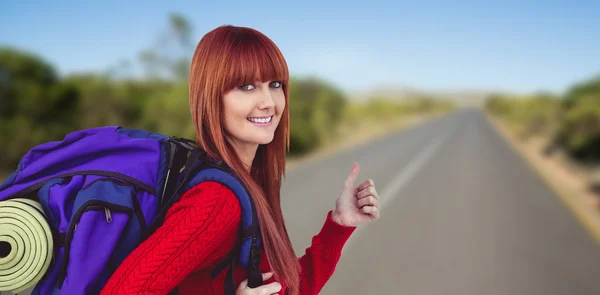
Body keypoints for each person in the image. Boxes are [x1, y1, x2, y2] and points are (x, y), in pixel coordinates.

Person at [99, 24, 381, 295]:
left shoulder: (251, 183)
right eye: (246, 87)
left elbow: (292, 290)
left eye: (275, 84)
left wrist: (340, 225)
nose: (269, 101)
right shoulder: (218, 200)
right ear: (211, 97)